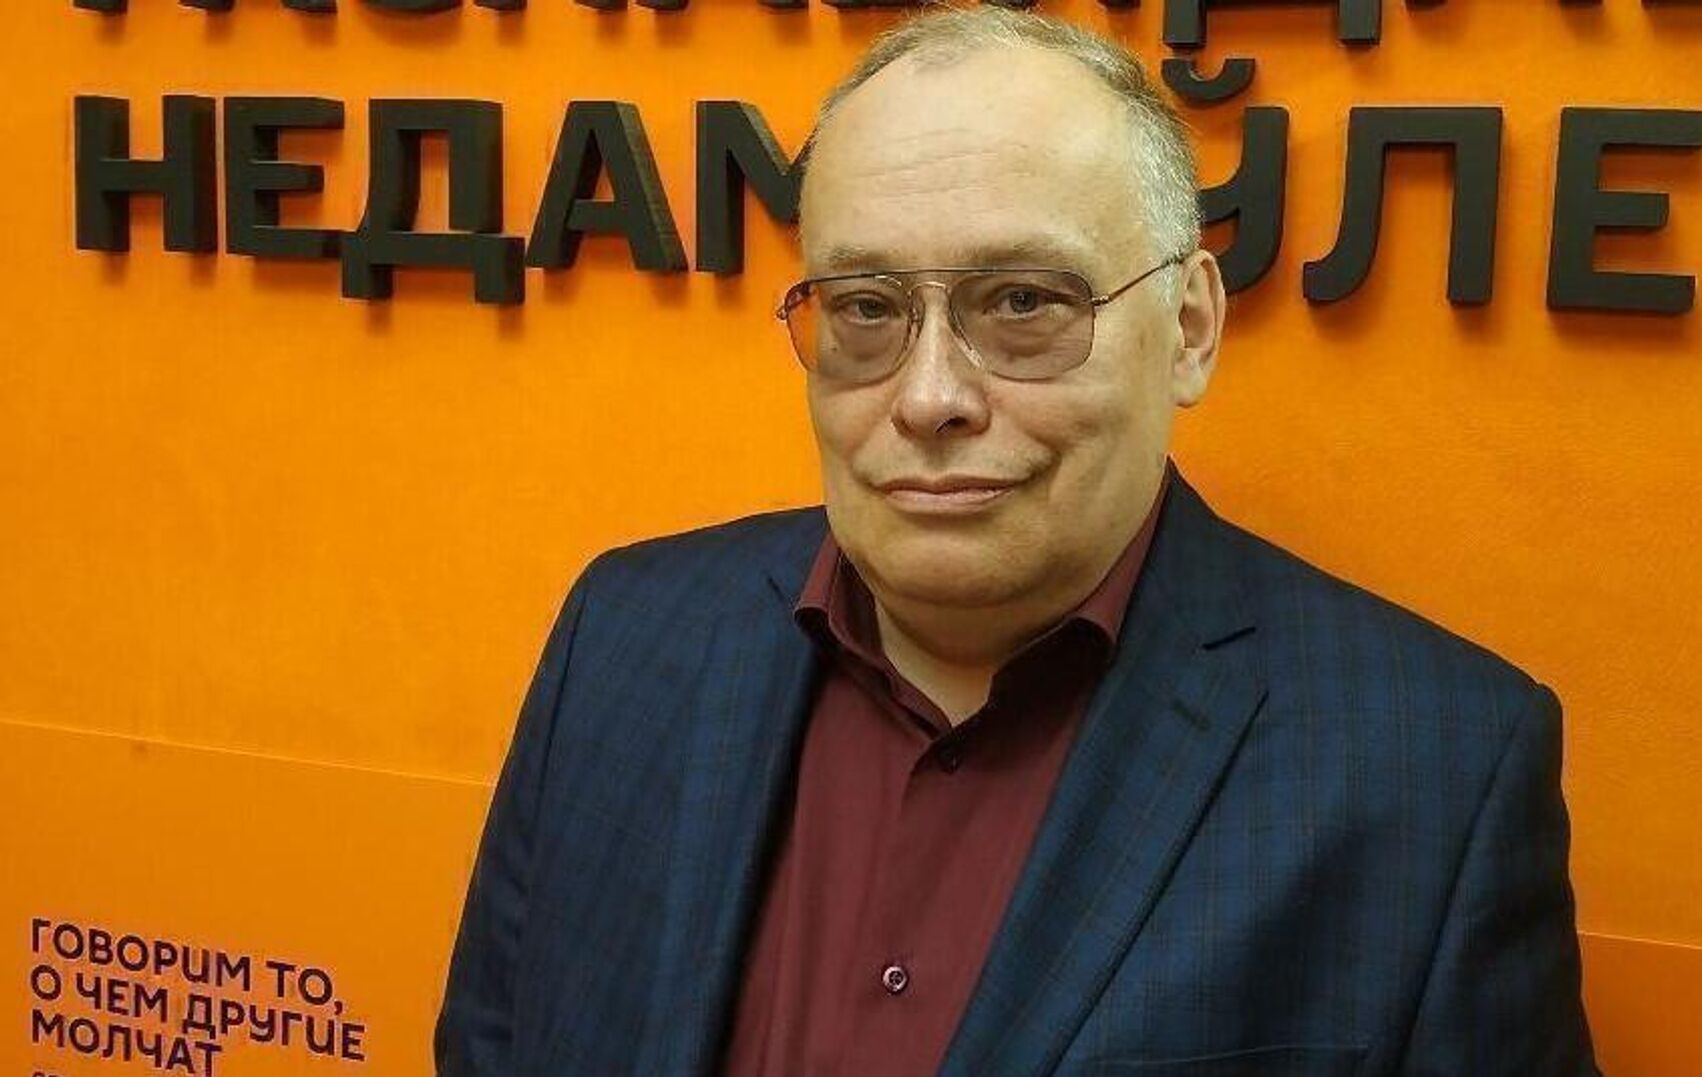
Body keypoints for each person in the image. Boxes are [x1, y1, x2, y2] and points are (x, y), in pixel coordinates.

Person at [433, 5, 1602, 1075]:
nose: (929, 396)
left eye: (1024, 304)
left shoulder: (1430, 776)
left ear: (1190, 327)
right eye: (866, 308)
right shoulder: (623, 643)